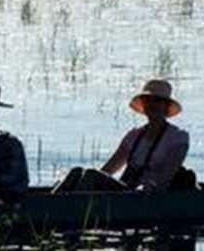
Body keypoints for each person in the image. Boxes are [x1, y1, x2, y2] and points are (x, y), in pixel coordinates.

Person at [53, 79, 192, 193]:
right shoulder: (133, 136)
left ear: (166, 106)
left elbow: (165, 177)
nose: (152, 105)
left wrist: (149, 188)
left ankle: (71, 209)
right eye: (148, 100)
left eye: (157, 101)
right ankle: (52, 203)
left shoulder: (178, 138)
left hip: (144, 195)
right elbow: (108, 170)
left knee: (90, 175)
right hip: (125, 189)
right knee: (77, 172)